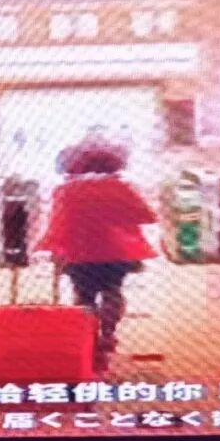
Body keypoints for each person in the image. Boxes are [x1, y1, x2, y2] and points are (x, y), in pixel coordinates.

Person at [37, 139, 156, 355]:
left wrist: (52, 249)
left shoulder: (65, 190)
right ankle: (108, 334)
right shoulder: (121, 188)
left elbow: (59, 223)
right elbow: (147, 216)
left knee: (84, 295)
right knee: (113, 290)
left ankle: (88, 339)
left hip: (78, 251)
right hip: (115, 250)